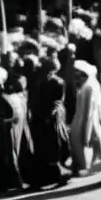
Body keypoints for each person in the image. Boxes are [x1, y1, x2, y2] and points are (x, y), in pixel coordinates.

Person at [30, 57, 71, 188]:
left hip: (50, 119)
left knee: (53, 147)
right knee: (43, 149)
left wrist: (50, 116)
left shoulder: (57, 82)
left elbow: (57, 101)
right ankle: (45, 177)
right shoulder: (41, 81)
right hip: (41, 119)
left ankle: (59, 175)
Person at [69, 60, 101, 175]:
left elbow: (91, 109)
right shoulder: (88, 85)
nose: (78, 77)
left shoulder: (90, 87)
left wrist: (87, 126)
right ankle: (88, 165)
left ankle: (86, 166)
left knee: (89, 143)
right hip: (83, 119)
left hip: (88, 120)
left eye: (81, 74)